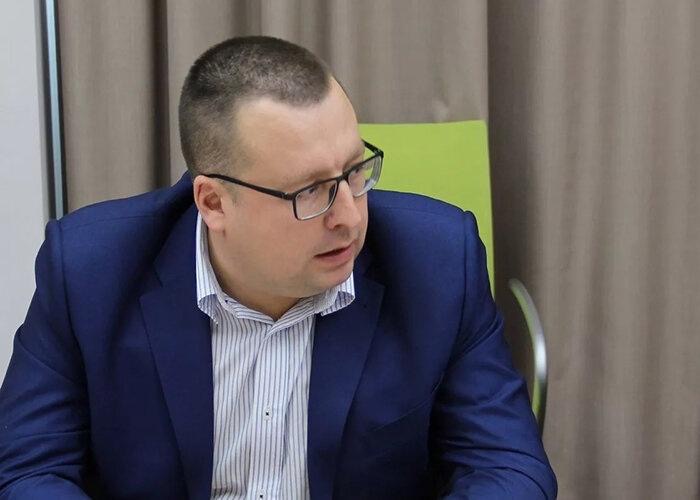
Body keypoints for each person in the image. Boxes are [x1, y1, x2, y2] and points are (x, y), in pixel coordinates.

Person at [0, 36, 556, 499]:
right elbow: (26, 470)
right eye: (310, 191)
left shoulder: (436, 261)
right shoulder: (90, 271)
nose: (348, 217)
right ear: (214, 202)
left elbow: (508, 467)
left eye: (354, 171)